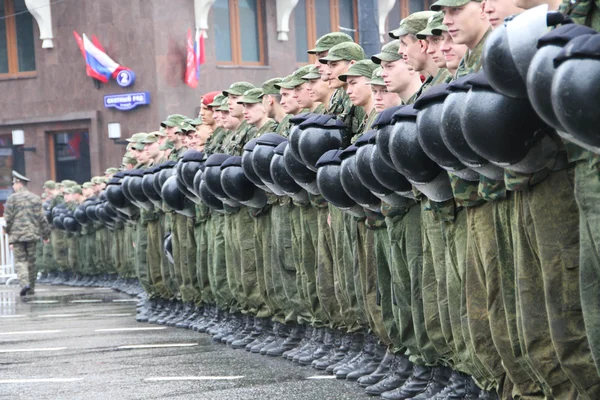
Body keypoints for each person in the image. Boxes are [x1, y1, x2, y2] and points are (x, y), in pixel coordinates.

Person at [5, 171, 50, 296]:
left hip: (17, 236)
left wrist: (9, 235)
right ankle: (31, 287)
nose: (13, 186)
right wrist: (46, 235)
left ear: (19, 183)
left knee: (20, 261)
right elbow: (42, 218)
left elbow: (8, 219)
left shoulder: (11, 199)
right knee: (32, 261)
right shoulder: (35, 198)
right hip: (32, 235)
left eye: (14, 184)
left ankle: (24, 283)